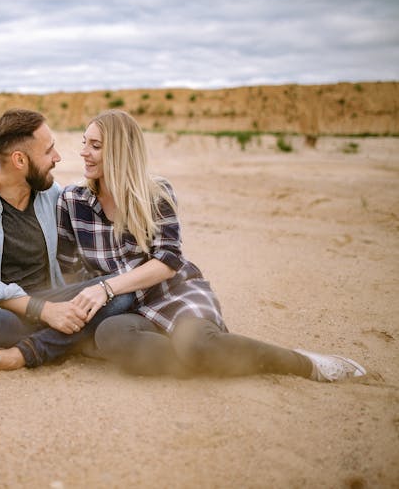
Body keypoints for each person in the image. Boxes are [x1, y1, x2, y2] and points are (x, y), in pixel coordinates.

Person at [48, 109, 366, 382]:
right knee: (111, 336)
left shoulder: (155, 193)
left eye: (95, 146)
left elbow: (168, 261)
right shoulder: (72, 200)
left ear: (118, 151)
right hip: (126, 309)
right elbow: (67, 269)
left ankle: (304, 363)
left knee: (198, 345)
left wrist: (106, 289)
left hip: (172, 292)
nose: (84, 152)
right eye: (84, 143)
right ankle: (206, 358)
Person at [0, 109, 133, 379]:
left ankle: (28, 350)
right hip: (2, 310)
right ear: (20, 160)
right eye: (48, 151)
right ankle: (72, 337)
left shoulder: (54, 194)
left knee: (118, 291)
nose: (57, 158)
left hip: (55, 299)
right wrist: (45, 312)